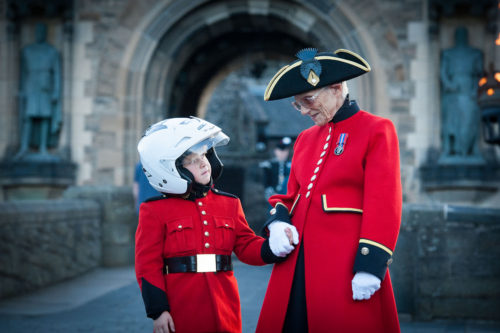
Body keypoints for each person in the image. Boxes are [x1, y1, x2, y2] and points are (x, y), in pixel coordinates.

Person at [256, 48, 402, 333]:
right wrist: (278, 222)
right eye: (297, 105)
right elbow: (289, 196)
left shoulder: (377, 129)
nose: (305, 111)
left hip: (344, 264)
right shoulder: (305, 139)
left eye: (308, 100)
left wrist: (371, 264)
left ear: (336, 88)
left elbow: (384, 202)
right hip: (295, 266)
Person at [134, 117, 299, 333]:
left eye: (203, 155)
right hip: (181, 310)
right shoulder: (155, 211)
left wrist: (273, 247)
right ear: (169, 169)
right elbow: (147, 265)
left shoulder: (229, 203)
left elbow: (245, 245)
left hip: (225, 306)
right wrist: (158, 310)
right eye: (192, 160)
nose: (203, 162)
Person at [16, 22, 62, 158]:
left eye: (42, 31)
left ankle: (43, 148)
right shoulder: (27, 51)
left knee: (45, 117)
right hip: (31, 86)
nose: (39, 34)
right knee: (29, 117)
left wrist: (56, 91)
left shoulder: (52, 51)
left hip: (45, 87)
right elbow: (22, 73)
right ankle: (24, 146)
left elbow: (57, 74)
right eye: (37, 31)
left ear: (45, 33)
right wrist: (21, 90)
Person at [440, 26, 483, 160]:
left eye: (463, 35)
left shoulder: (475, 53)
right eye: (459, 35)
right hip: (453, 93)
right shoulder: (448, 54)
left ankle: (470, 149)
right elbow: (443, 73)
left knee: (470, 121)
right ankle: (451, 149)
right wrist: (449, 84)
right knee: (451, 124)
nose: (461, 38)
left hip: (468, 91)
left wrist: (475, 90)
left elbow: (479, 74)